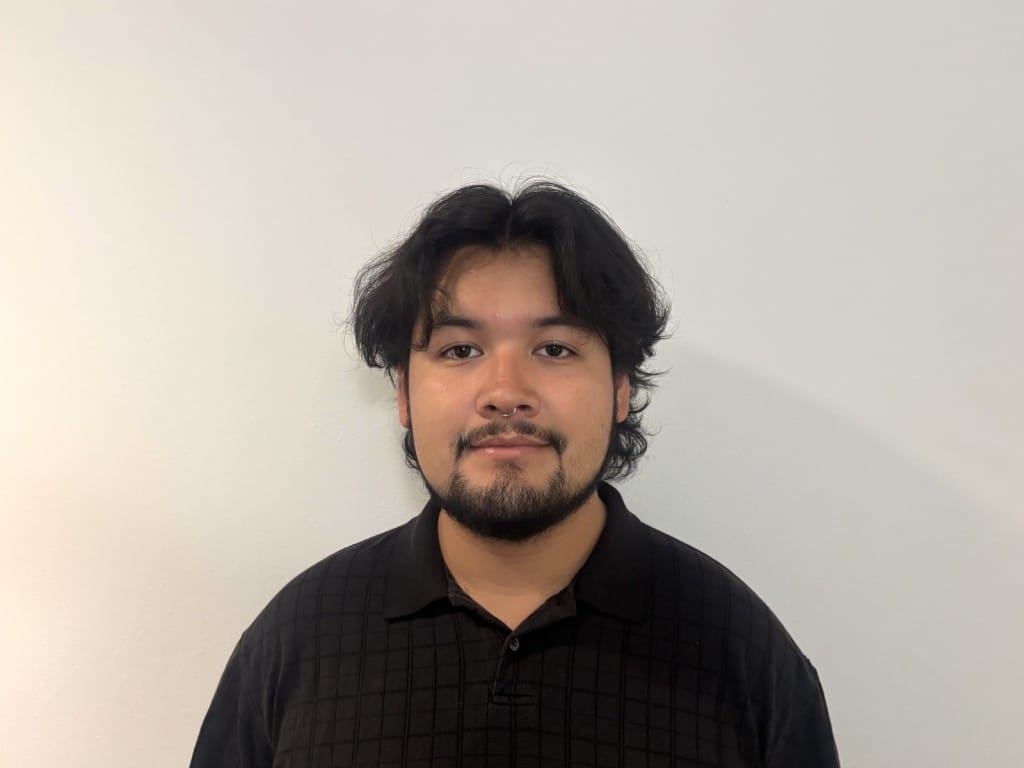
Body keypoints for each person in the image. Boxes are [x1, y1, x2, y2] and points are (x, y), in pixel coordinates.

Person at [190, 181, 840, 767]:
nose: (505, 392)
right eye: (460, 350)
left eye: (554, 349)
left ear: (620, 387)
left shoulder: (744, 654)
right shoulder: (297, 639)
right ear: (404, 393)